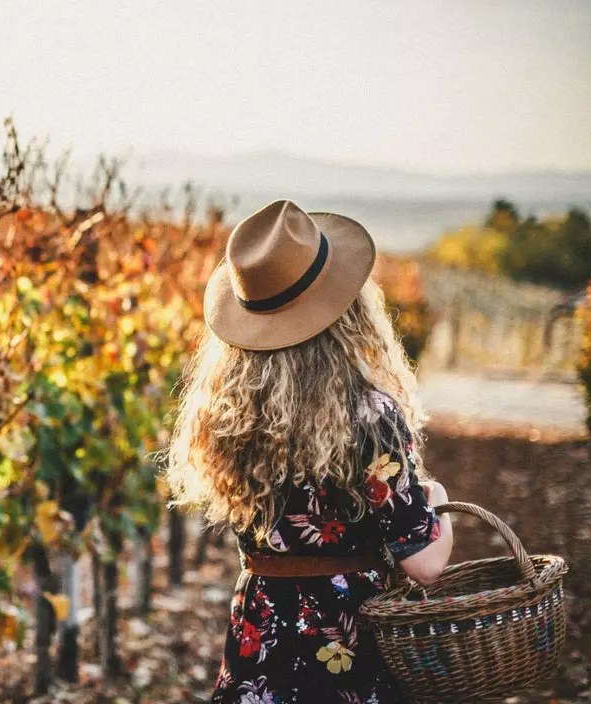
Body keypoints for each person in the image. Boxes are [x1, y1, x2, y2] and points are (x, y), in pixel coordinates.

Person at [162, 200, 455, 703]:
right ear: (348, 312)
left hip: (260, 639)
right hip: (347, 646)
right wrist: (439, 501)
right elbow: (424, 565)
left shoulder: (228, 416)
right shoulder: (368, 415)